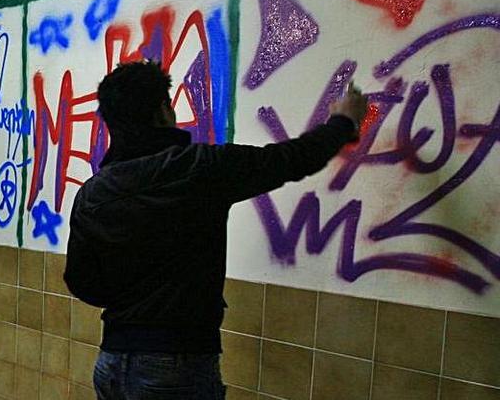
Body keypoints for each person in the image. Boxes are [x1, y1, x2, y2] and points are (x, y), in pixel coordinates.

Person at [64, 60, 367, 399]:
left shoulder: (93, 193)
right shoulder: (199, 169)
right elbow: (289, 159)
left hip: (112, 362)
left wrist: (134, 293)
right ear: (163, 110)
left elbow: (82, 283)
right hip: (177, 365)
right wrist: (344, 120)